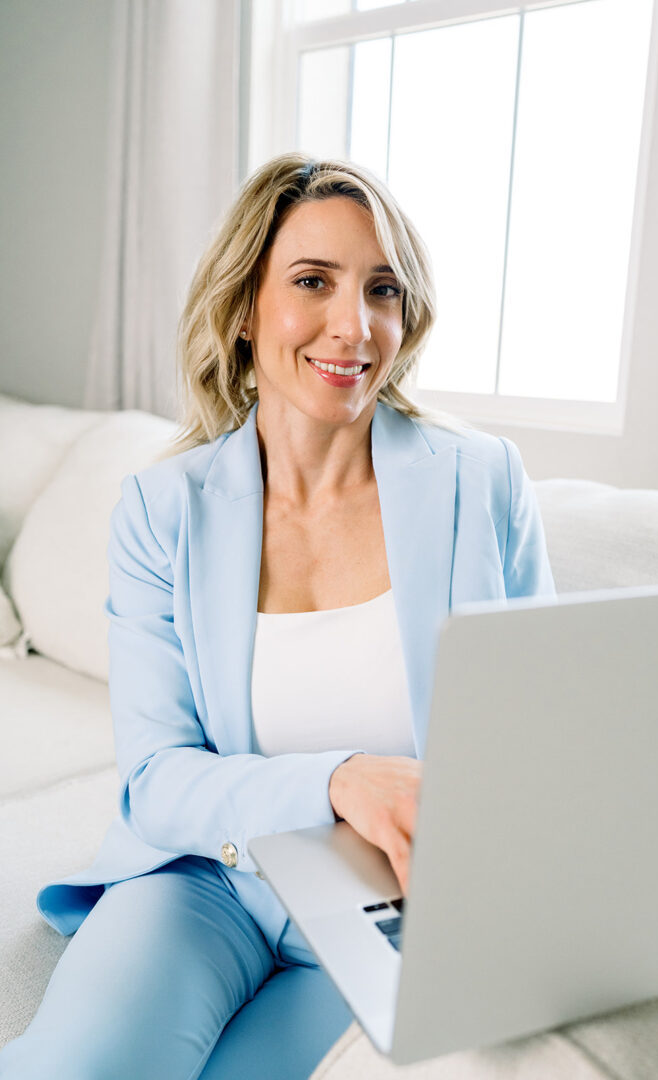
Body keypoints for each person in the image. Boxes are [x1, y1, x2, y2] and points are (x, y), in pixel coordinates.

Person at [0, 153, 555, 1079]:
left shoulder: (482, 482)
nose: (354, 324)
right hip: (204, 879)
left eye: (382, 289)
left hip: (386, 898)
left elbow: (536, 735)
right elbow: (158, 779)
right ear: (244, 309)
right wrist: (337, 780)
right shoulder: (162, 508)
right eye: (312, 281)